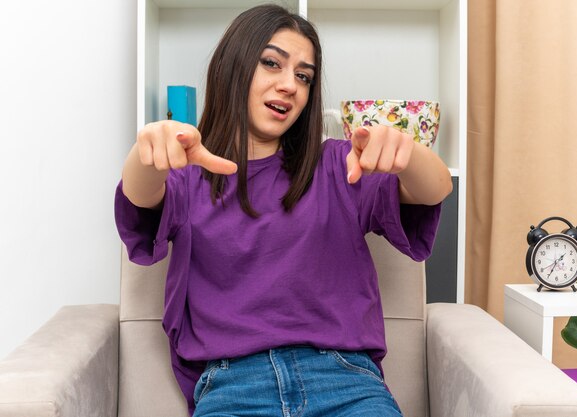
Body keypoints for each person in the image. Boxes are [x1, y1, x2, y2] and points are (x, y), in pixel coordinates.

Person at [115, 4, 452, 417]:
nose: (290, 85)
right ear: (232, 67)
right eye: (272, 63)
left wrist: (408, 153)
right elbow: (139, 194)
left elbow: (434, 189)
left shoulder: (338, 164)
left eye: (304, 76)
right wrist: (146, 152)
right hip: (232, 387)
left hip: (346, 382)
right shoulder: (187, 178)